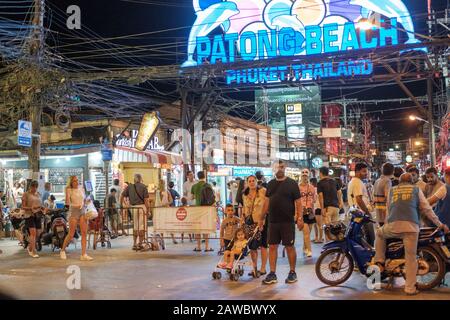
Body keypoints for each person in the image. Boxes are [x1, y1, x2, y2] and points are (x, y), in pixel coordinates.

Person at [374, 173, 449, 295]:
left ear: (399, 181)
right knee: (411, 258)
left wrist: (386, 224)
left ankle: (380, 261)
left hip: (394, 226)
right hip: (411, 228)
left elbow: (389, 209)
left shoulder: (392, 190)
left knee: (379, 234)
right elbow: (426, 208)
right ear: (411, 181)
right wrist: (439, 224)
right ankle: (410, 288)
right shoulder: (416, 189)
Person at [260, 160, 303, 285]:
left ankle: (292, 272)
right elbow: (266, 202)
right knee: (272, 246)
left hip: (287, 221)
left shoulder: (292, 183)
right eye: (277, 167)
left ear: (285, 168)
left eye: (282, 166)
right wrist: (261, 219)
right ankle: (272, 273)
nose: (279, 169)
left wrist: (300, 218)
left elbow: (299, 203)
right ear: (273, 168)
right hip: (273, 221)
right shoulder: (270, 184)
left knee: (289, 246)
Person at [60, 176, 92, 261]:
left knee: (84, 232)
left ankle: (83, 254)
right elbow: (67, 203)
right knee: (71, 234)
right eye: (74, 181)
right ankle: (62, 250)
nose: (77, 182)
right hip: (73, 211)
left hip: (82, 211)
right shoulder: (69, 190)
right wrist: (74, 204)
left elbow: (84, 200)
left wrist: (87, 201)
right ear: (71, 182)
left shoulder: (81, 188)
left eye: (77, 180)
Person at [242, 175, 268, 277]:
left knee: (263, 245)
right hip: (250, 222)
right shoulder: (245, 194)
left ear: (257, 182)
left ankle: (263, 268)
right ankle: (254, 267)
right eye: (250, 181)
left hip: (262, 221)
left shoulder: (263, 191)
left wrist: (264, 218)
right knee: (252, 246)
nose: (252, 182)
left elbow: (267, 205)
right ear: (247, 182)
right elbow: (244, 208)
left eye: (253, 181)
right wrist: (243, 218)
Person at [348, 162, 375, 246]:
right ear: (357, 171)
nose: (366, 173)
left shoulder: (353, 181)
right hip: (361, 215)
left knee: (362, 238)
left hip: (357, 213)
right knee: (370, 237)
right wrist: (367, 212)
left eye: (366, 171)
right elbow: (359, 199)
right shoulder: (357, 182)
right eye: (364, 171)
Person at [120, 174, 150, 251]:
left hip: (133, 208)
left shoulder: (129, 187)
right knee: (142, 226)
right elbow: (146, 200)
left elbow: (122, 195)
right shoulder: (143, 187)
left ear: (134, 179)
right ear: (140, 179)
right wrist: (148, 210)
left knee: (135, 226)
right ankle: (140, 243)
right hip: (142, 207)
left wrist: (121, 205)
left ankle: (134, 243)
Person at [22, 180, 46, 258]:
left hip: (38, 215)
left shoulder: (38, 194)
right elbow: (23, 207)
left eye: (36, 187)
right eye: (33, 187)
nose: (34, 188)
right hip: (29, 215)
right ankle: (33, 251)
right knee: (33, 233)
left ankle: (30, 247)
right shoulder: (26, 194)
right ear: (30, 186)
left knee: (38, 233)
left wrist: (42, 207)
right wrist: (31, 208)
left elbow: (40, 203)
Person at [191, 171, 213, 252]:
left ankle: (198, 246)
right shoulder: (208, 185)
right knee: (206, 227)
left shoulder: (194, 186)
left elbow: (192, 197)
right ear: (204, 176)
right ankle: (207, 246)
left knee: (198, 227)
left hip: (197, 209)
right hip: (206, 209)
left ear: (197, 177)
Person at [298, 169, 317, 257]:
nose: (305, 177)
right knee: (306, 232)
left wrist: (311, 203)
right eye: (303, 176)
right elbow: (295, 201)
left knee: (308, 233)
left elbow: (315, 199)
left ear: (308, 176)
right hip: (301, 212)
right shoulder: (297, 187)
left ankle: (304, 247)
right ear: (301, 176)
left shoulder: (312, 187)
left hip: (310, 212)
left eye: (306, 176)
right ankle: (309, 250)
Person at [157, 180, 176, 244]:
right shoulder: (157, 191)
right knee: (161, 225)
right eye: (160, 183)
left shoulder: (167, 191)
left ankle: (173, 238)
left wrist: (166, 203)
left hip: (166, 209)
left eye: (163, 183)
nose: (161, 184)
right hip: (159, 210)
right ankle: (162, 239)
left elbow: (171, 200)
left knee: (169, 224)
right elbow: (155, 201)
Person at [310, 178, 324, 243]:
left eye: (310, 183)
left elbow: (315, 199)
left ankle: (320, 238)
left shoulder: (317, 190)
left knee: (319, 224)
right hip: (315, 208)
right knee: (315, 224)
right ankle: (316, 237)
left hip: (318, 208)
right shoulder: (313, 190)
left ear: (312, 183)